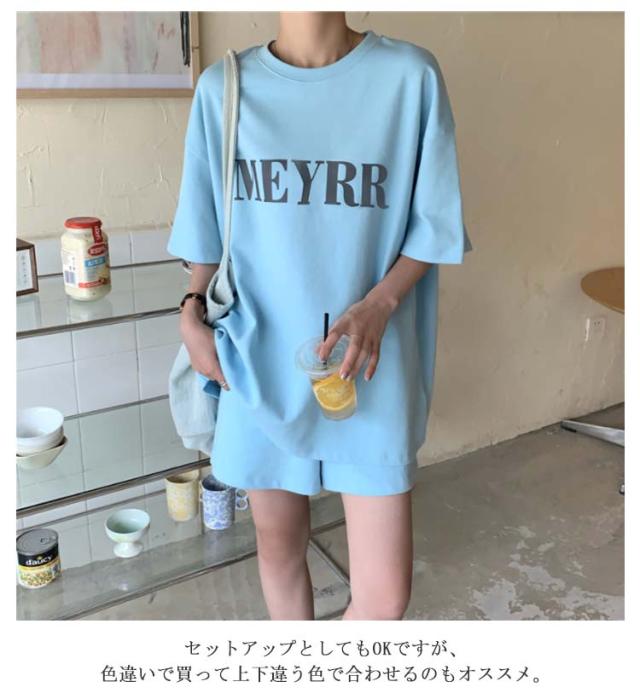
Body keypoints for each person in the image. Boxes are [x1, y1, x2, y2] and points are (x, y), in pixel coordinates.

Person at [167, 11, 472, 621]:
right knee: (279, 549)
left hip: (369, 365)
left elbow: (434, 227)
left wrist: (380, 304)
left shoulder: (409, 77)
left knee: (384, 599)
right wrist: (190, 314)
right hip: (255, 362)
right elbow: (207, 240)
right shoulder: (224, 88)